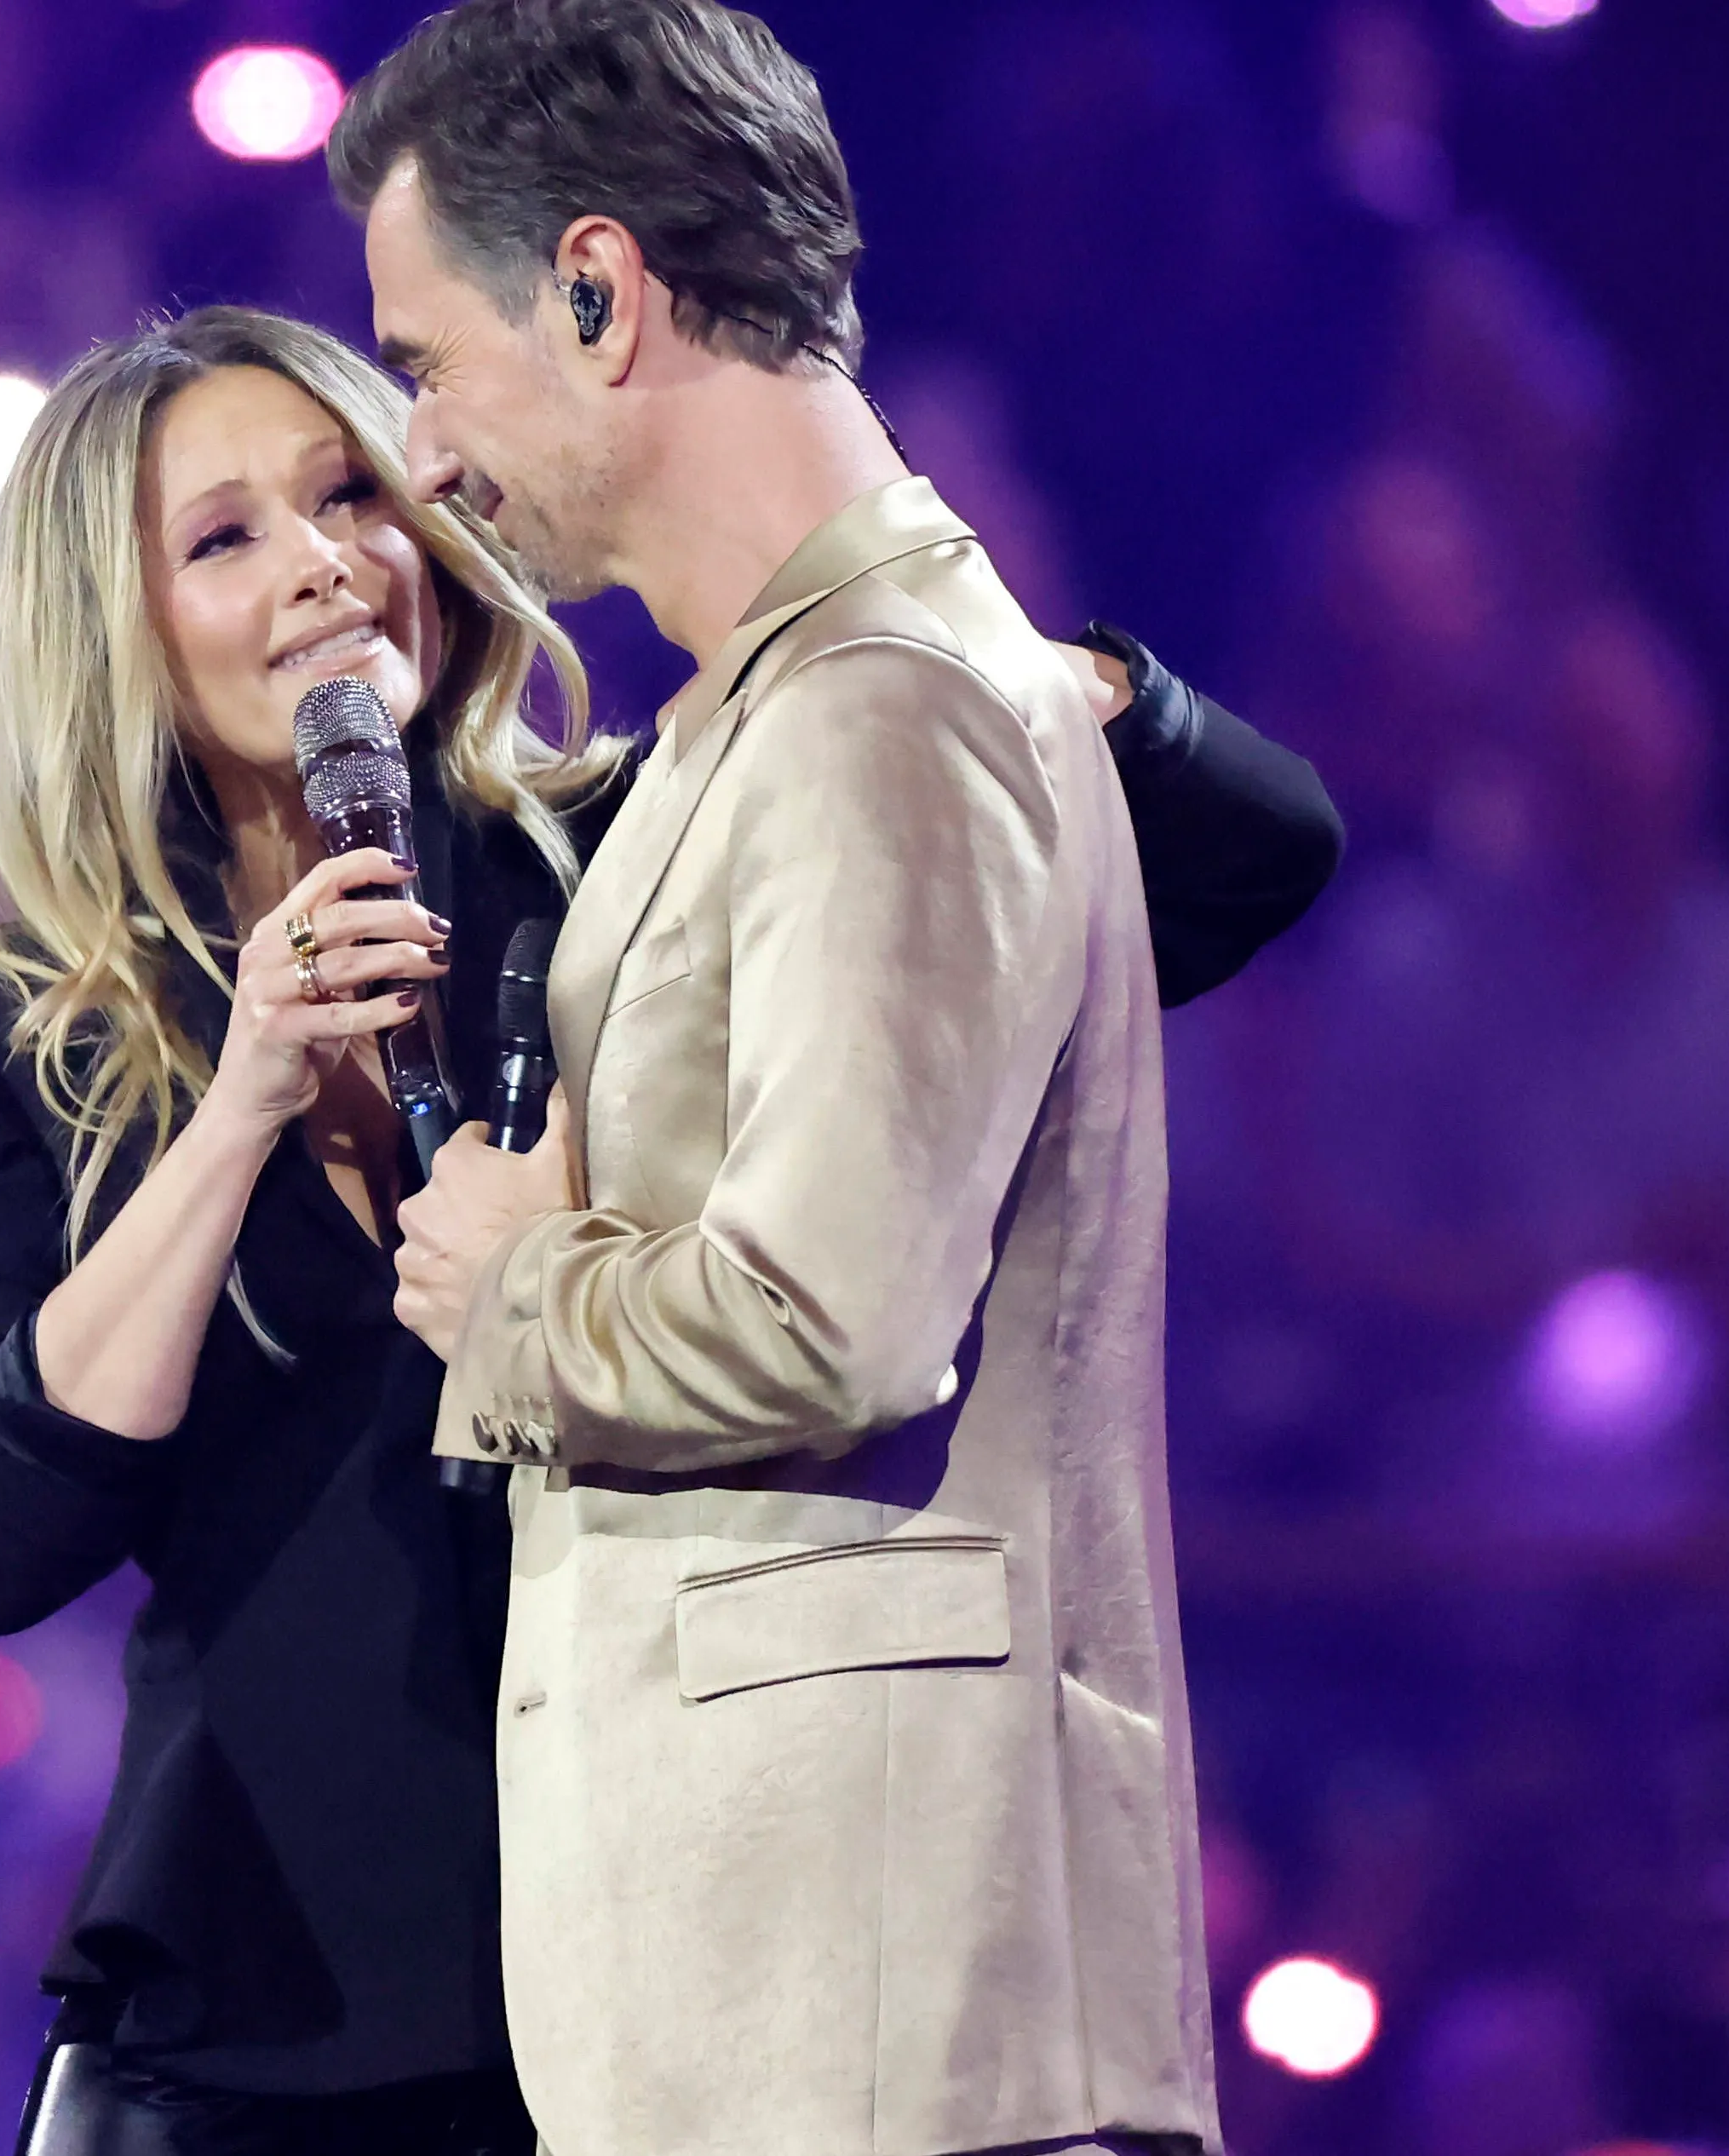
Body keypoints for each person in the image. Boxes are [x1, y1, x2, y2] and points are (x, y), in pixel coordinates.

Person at [0, 302, 1330, 2148]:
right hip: (273, 2000)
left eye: (350, 494)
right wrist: (244, 1097)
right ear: (112, 631)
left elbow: (1253, 854)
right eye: (224, 538)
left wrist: (973, 662)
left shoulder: (637, 851)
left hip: (682, 1953)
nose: (324, 563)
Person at [342, 5, 1214, 2153]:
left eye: (429, 365)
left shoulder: (885, 705)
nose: (426, 459)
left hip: (892, 2018)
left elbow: (840, 1308)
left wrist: (513, 1286)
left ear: (599, 289)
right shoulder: (780, 707)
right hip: (801, 2008)